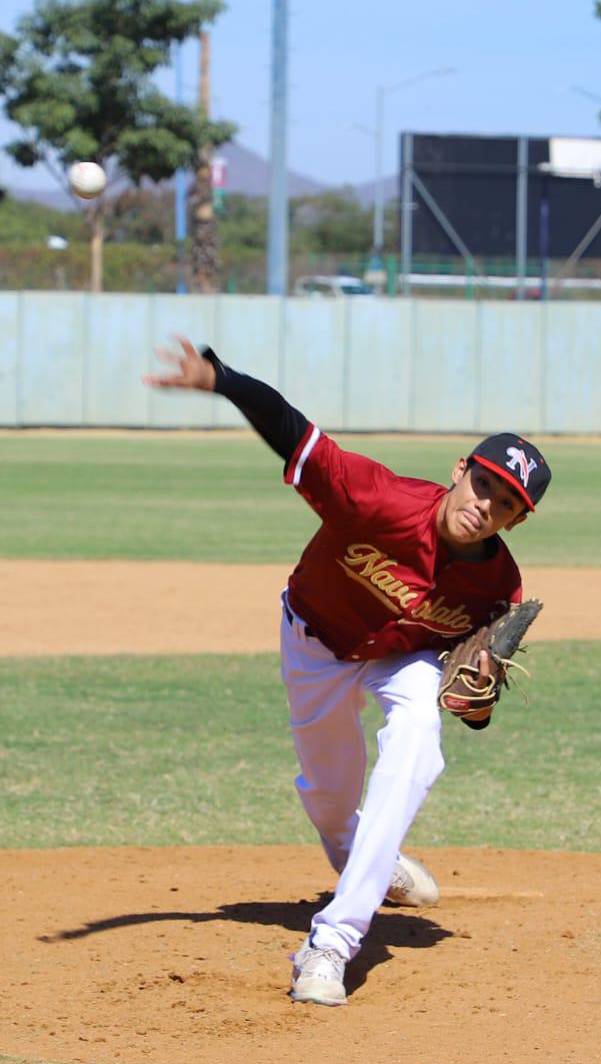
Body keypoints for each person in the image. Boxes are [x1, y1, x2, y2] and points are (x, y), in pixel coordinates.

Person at [144, 338, 551, 1006]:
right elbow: (294, 432)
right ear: (460, 470)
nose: (487, 505)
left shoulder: (498, 583)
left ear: (518, 519)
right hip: (314, 642)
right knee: (332, 802)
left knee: (420, 736)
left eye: (506, 504)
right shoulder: (375, 499)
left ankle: (331, 943)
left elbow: (471, 710)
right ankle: (370, 857)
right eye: (484, 484)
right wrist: (223, 380)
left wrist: (475, 703)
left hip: (401, 659)